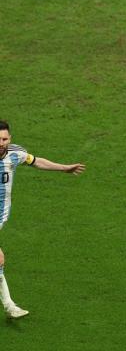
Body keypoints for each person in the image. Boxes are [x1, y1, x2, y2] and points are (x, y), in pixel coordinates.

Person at [0, 120, 85, 319]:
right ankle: (10, 306)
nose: (1, 143)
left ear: (10, 139)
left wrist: (64, 168)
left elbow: (37, 161)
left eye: (4, 139)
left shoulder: (15, 155)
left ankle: (10, 306)